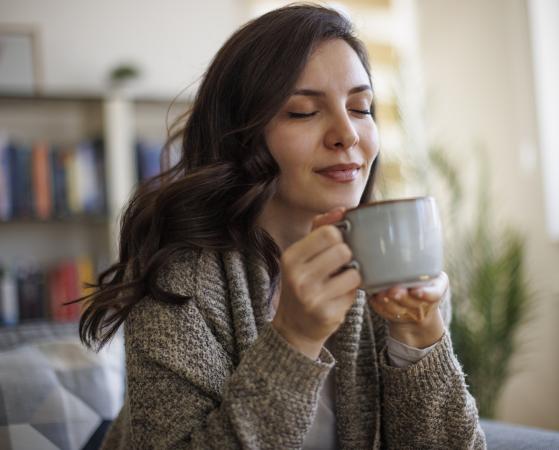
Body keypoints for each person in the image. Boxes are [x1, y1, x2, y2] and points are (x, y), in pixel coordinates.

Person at [78, 4, 486, 449]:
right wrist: (295, 337)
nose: (347, 134)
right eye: (303, 112)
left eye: (361, 107)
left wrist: (419, 336)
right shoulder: (179, 283)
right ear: (241, 136)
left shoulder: (393, 266)